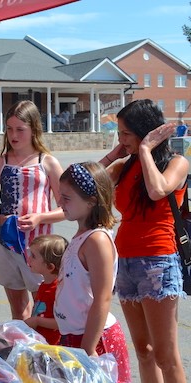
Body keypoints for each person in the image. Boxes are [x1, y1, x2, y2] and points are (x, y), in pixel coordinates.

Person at [99, 99, 188, 383]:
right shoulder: (123, 166)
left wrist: (147, 149)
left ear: (145, 131)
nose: (120, 139)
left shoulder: (177, 162)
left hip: (158, 261)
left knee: (165, 354)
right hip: (124, 261)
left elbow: (156, 190)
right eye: (119, 133)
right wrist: (115, 154)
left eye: (125, 133)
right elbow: (83, 183)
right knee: (144, 350)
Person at [0, 100, 64, 320]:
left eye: (20, 129)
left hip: (39, 248)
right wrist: (3, 220)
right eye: (9, 129)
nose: (13, 135)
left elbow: (68, 208)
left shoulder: (47, 163)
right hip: (7, 244)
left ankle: (46, 351)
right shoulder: (0, 163)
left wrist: (41, 217)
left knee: (44, 308)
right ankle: (24, 351)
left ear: (34, 129)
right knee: (18, 310)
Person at [54, 162, 131, 383]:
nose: (60, 202)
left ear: (92, 201)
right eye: (61, 195)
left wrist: (88, 348)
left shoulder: (97, 240)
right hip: (75, 336)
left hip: (95, 341)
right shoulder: (82, 234)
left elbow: (103, 297)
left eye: (67, 198)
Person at [24, 234, 67, 345]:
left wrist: (37, 321)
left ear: (50, 267)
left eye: (33, 256)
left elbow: (62, 322)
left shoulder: (59, 290)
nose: (29, 258)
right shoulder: (45, 284)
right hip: (39, 340)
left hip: (51, 345)